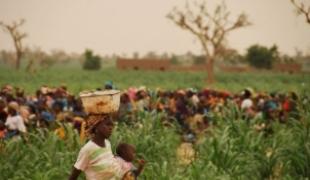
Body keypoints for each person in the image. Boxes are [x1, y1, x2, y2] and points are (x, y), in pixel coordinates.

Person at [68, 114, 123, 180]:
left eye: (112, 125)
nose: (111, 128)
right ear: (96, 126)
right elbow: (74, 175)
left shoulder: (107, 143)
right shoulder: (88, 149)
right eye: (107, 124)